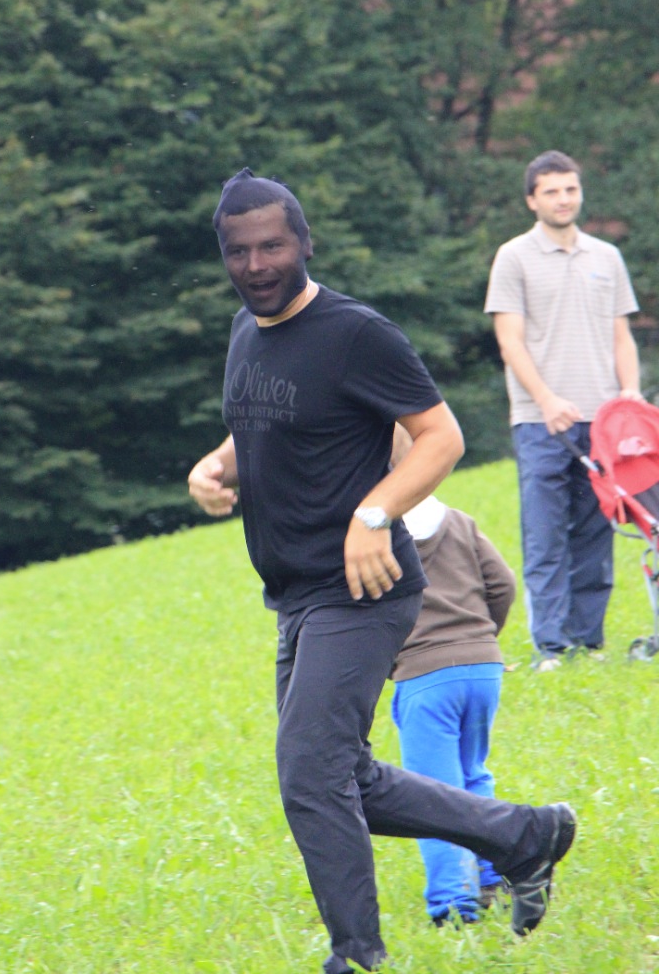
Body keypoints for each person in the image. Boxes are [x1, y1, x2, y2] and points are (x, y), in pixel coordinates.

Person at [188, 167, 576, 974]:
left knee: (310, 774)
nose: (257, 265)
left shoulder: (354, 333)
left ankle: (356, 958)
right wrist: (216, 465)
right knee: (343, 777)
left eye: (273, 246)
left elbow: (440, 436)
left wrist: (375, 513)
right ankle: (524, 835)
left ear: (305, 243)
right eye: (239, 251)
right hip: (296, 592)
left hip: (362, 592)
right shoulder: (245, 333)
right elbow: (267, 423)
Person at [484, 150, 641, 671]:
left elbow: (621, 337)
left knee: (595, 537)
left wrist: (630, 392)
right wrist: (546, 399)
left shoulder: (606, 257)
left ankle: (588, 643)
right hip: (540, 421)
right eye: (551, 191)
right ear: (532, 200)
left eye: (570, 189)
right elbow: (509, 341)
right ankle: (551, 647)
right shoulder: (513, 257)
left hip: (604, 421)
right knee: (546, 537)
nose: (563, 199)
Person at [389, 426, 516, 926]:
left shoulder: (375, 536)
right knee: (472, 775)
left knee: (430, 795)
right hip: (484, 670)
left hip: (425, 678)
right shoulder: (459, 521)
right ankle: (492, 875)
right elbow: (502, 584)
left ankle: (453, 905)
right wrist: (482, 639)